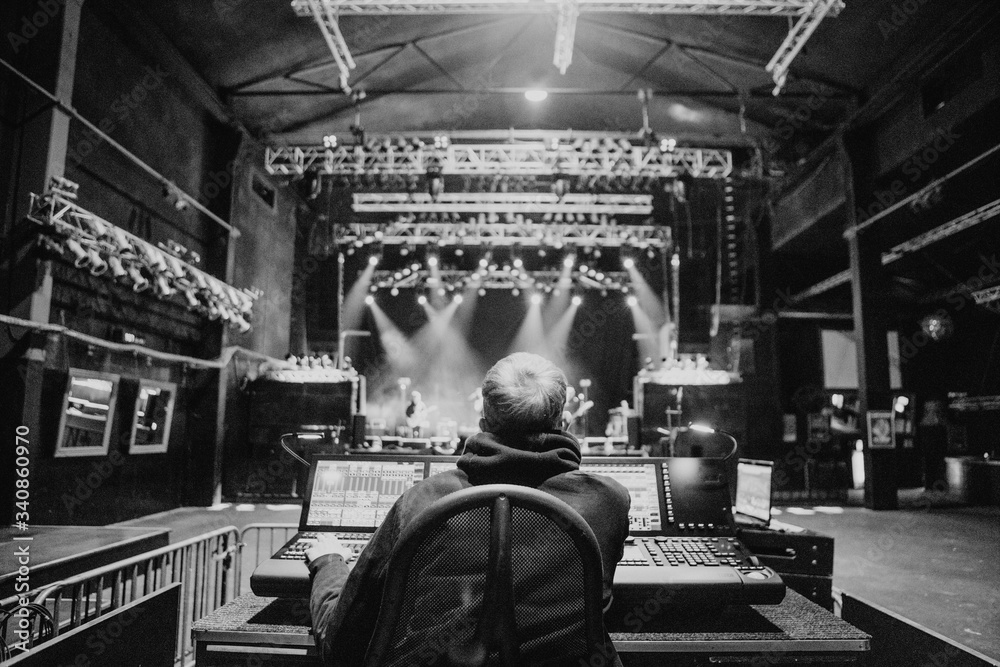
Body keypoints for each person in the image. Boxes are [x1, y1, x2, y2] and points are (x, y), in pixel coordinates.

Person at [306, 352, 631, 666]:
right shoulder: (608, 501)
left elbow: (342, 640)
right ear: (566, 423)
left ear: (482, 423)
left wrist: (329, 563)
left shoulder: (422, 501)